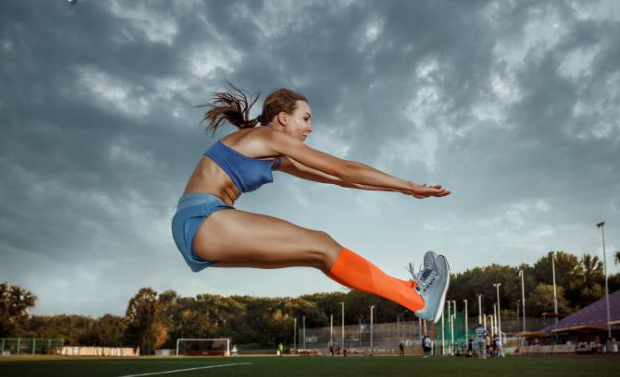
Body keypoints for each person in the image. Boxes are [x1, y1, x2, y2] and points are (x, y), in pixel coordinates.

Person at [171, 85, 452, 322]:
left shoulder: (273, 153)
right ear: (282, 118)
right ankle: (415, 299)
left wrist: (403, 190)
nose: (310, 127)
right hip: (203, 219)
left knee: (319, 254)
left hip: (202, 226)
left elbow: (339, 180)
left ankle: (412, 294)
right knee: (321, 244)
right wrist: (408, 184)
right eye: (305, 118)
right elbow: (343, 169)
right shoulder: (267, 137)